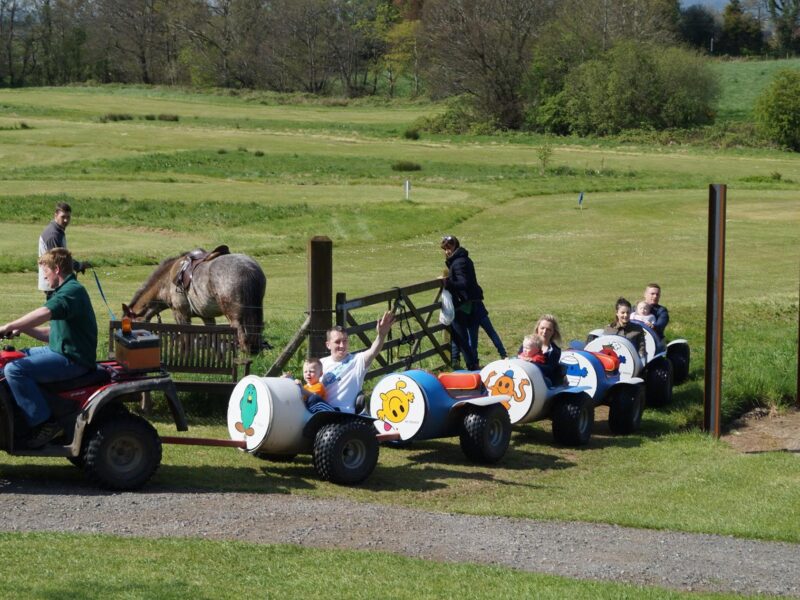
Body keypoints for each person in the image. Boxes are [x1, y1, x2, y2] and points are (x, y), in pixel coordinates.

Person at [0, 248, 98, 448]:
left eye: (45, 272)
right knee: (16, 356)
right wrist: (24, 329)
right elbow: (52, 333)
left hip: (74, 359)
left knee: (15, 369)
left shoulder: (72, 292)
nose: (44, 277)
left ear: (57, 269)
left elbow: (45, 312)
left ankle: (44, 424)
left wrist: (10, 325)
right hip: (62, 351)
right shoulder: (66, 291)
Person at [440, 235, 502, 370]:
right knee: (466, 336)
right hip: (471, 302)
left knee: (461, 336)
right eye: (445, 249)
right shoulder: (461, 259)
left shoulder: (459, 262)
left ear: (455, 246)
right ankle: (470, 363)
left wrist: (448, 283)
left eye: (449, 248)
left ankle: (470, 365)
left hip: (465, 304)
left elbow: (464, 283)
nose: (447, 251)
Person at [321, 311, 394, 413]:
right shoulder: (320, 363)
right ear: (328, 345)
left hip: (346, 417)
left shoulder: (357, 361)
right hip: (322, 415)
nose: (342, 345)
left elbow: (373, 351)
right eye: (337, 342)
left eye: (345, 341)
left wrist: (381, 335)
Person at [39, 202, 91, 298]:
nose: (66, 220)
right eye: (63, 217)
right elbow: (59, 260)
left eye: (68, 217)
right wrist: (78, 265)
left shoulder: (58, 231)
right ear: (56, 215)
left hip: (58, 281)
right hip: (53, 282)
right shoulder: (53, 234)